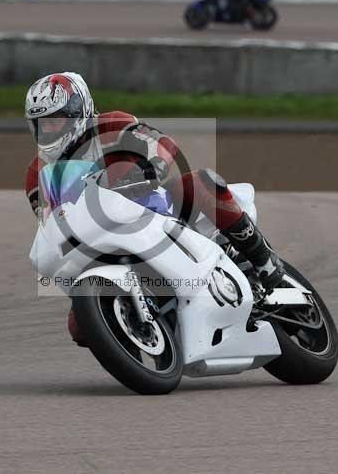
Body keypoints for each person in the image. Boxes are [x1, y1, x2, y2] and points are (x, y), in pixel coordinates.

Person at [24, 72, 284, 346]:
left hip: (155, 207)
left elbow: (160, 144)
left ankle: (263, 260)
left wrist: (151, 167)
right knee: (79, 327)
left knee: (199, 181)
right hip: (101, 240)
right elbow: (50, 220)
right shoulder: (36, 173)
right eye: (41, 124)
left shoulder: (111, 124)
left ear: (79, 111)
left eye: (55, 121)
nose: (48, 130)